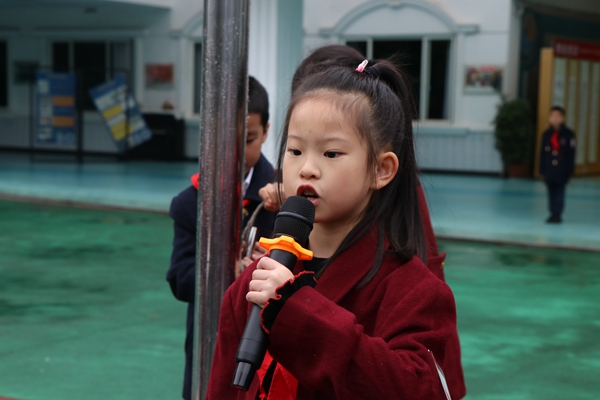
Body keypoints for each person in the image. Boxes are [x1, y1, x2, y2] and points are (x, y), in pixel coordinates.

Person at [206, 59, 459, 399]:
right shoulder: (254, 284)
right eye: (295, 150)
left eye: (331, 153)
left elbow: (417, 389)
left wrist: (298, 311)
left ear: (381, 170)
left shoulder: (414, 292)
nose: (307, 168)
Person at [167, 76, 277, 400]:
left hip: (269, 344)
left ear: (266, 132)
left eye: (249, 139)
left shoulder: (284, 199)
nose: (236, 151)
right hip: (209, 338)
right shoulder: (190, 203)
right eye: (227, 139)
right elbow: (179, 278)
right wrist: (226, 271)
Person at [539, 106, 576, 223]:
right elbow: (543, 153)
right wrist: (542, 169)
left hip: (562, 168)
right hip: (550, 168)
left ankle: (557, 213)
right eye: (552, 116)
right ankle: (551, 212)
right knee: (551, 191)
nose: (555, 119)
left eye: (557, 116)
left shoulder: (568, 134)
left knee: (560, 191)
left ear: (563, 118)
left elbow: (571, 153)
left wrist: (570, 170)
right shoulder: (546, 134)